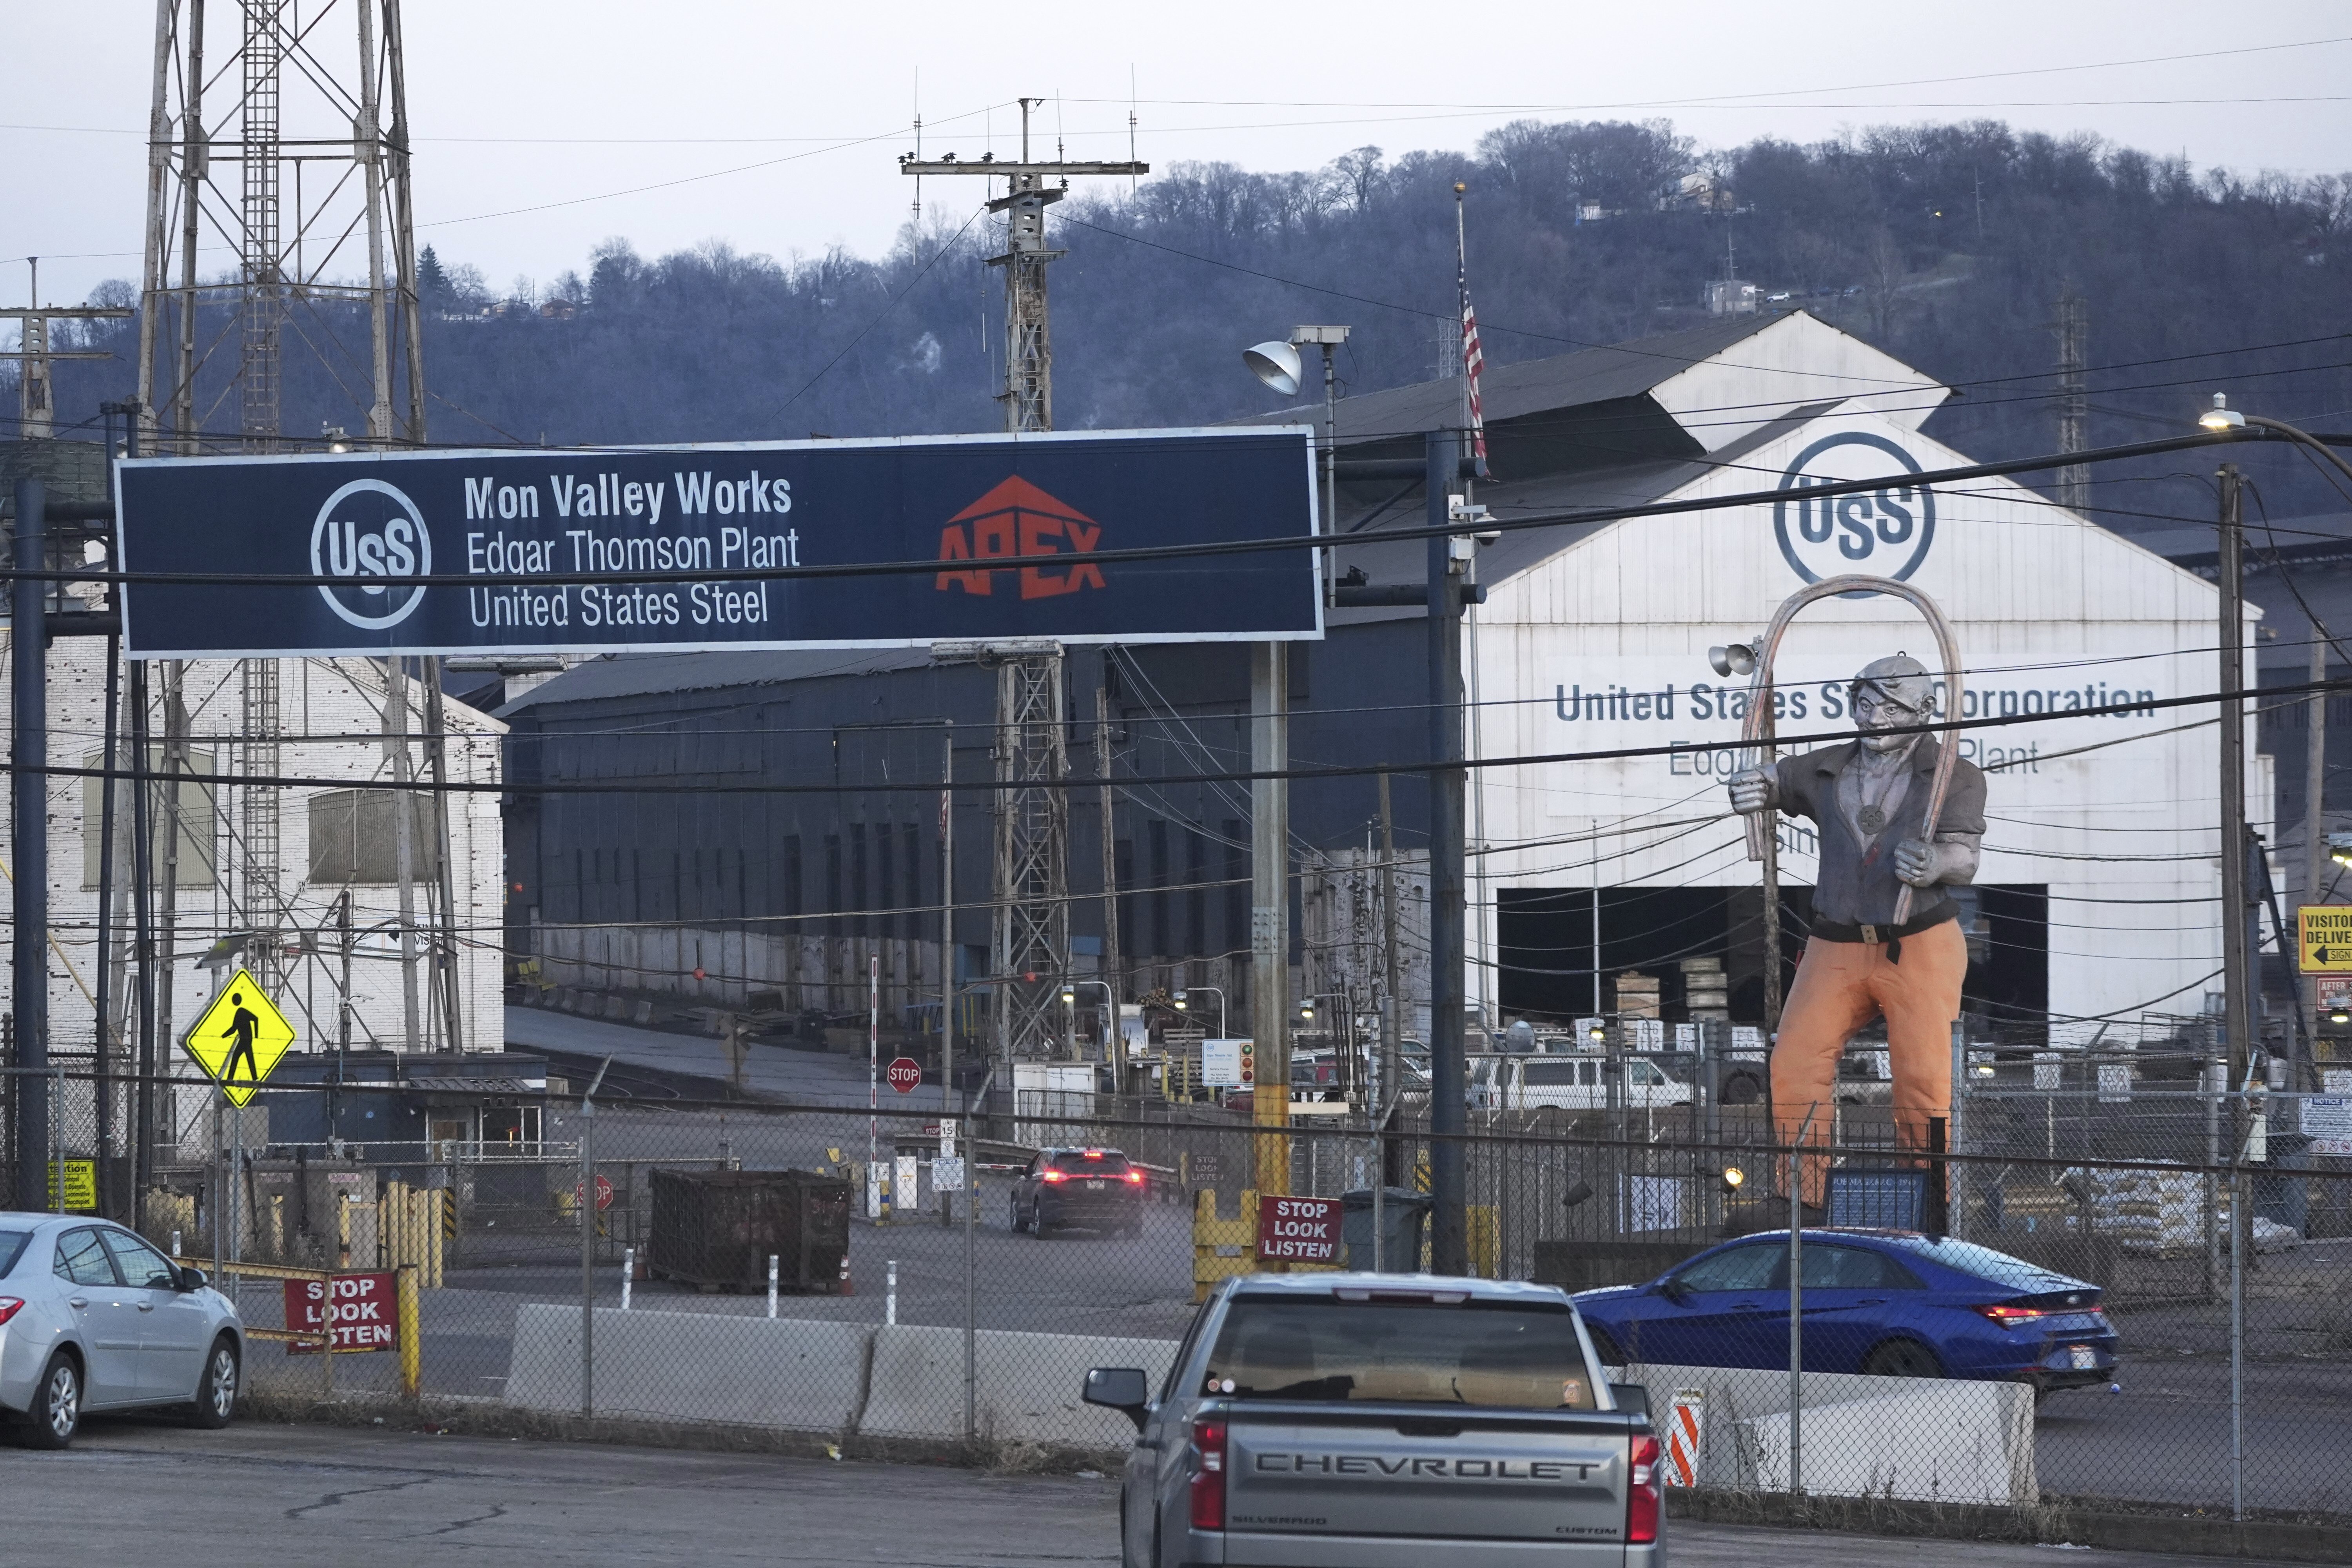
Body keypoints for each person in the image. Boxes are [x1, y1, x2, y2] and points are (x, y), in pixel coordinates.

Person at [1727, 653, 1985, 1210]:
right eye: (1865, 703)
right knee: (1793, 1065)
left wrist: (1938, 861)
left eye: (1893, 707)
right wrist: (1751, 786)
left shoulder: (1953, 776)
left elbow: (1966, 855)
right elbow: (1772, 779)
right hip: (1835, 943)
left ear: (1924, 711)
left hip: (1918, 942)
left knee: (1923, 1080)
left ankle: (1928, 1195)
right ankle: (1802, 1194)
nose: (1876, 718)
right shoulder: (1827, 767)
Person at [221, 991, 262, 1085]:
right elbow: (234, 1029)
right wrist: (223, 1036)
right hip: (246, 1039)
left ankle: (230, 1079)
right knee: (249, 1058)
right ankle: (255, 1078)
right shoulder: (240, 1012)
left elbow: (256, 1019)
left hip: (246, 1039)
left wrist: (257, 1035)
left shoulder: (241, 1012)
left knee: (236, 1057)